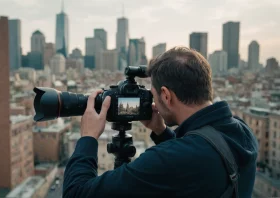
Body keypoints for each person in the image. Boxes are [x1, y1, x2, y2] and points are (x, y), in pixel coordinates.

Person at [63, 47, 258, 198]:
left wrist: (88, 138)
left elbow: (76, 193)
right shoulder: (242, 131)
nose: (153, 102)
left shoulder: (172, 159)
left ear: (165, 95)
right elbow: (199, 159)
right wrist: (161, 131)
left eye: (153, 95)